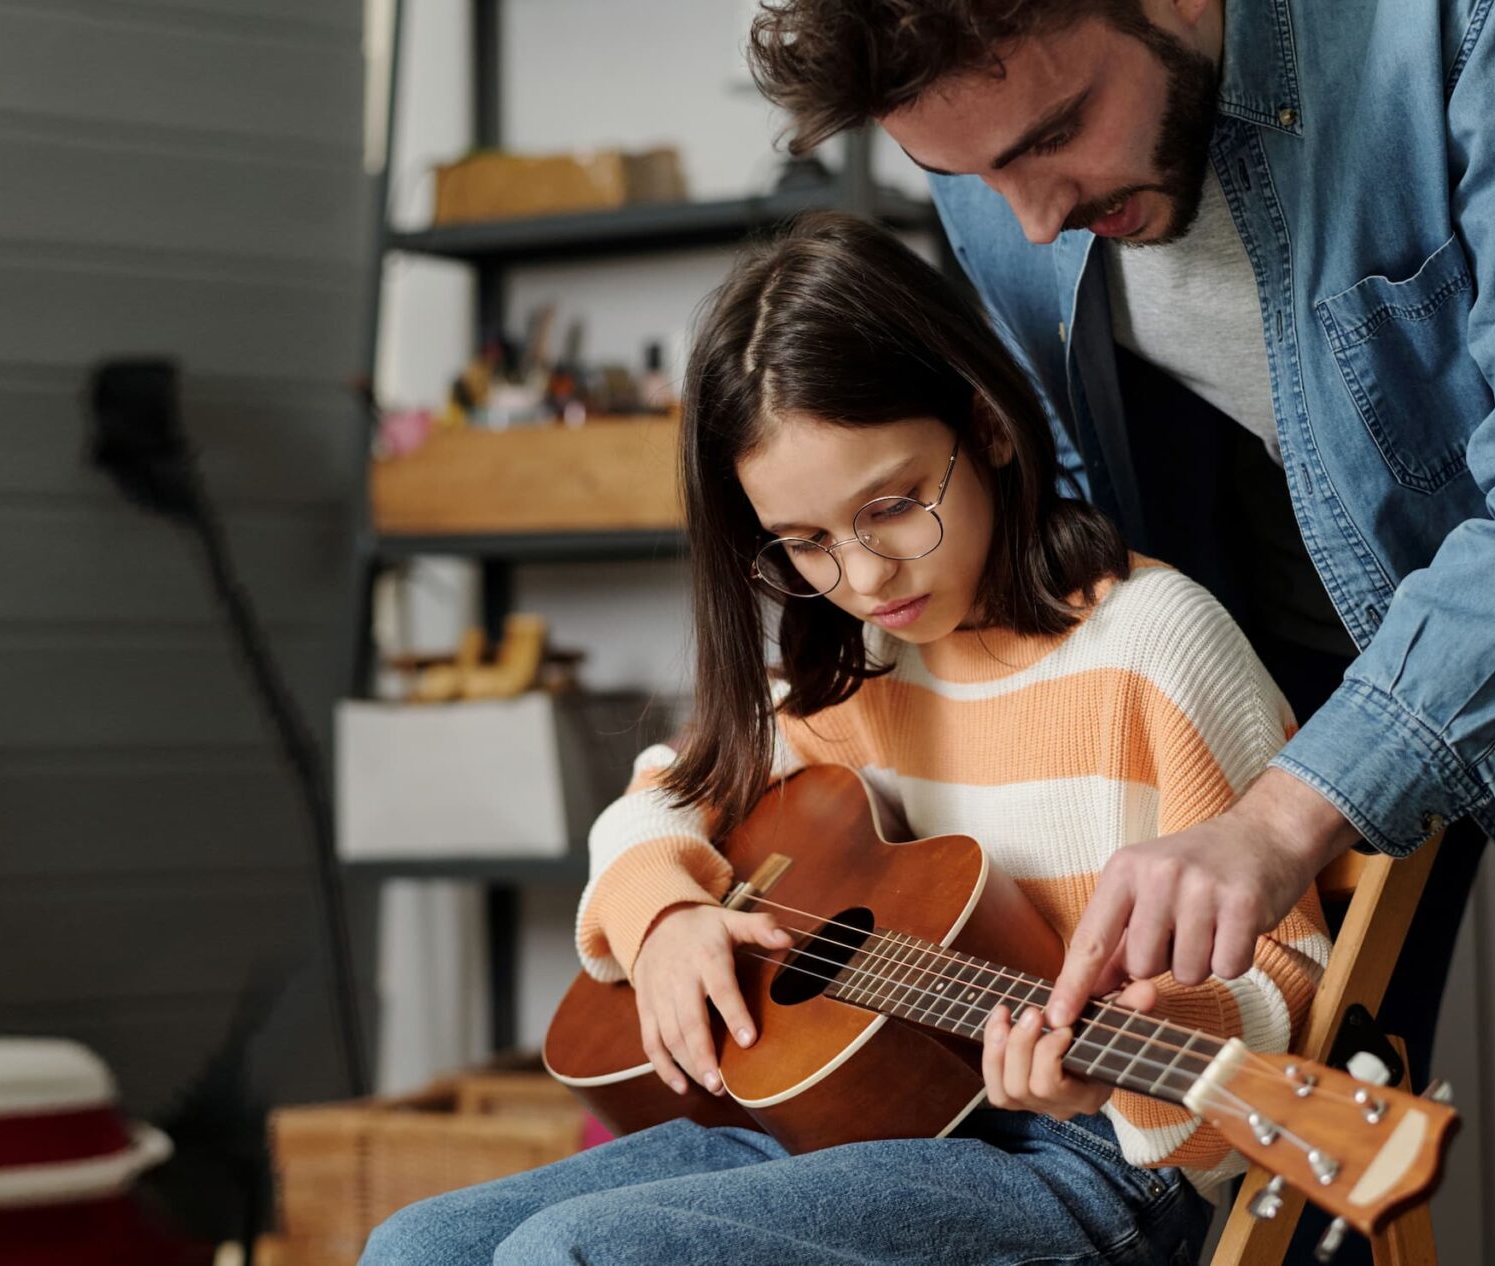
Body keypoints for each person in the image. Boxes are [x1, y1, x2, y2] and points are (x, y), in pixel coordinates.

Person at [748, 0, 1495, 1258]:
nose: (1030, 217)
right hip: (1304, 640)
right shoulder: (999, 155)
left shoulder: (1481, 19)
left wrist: (1287, 814)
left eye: (1057, 135)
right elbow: (1069, 475)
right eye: (967, 174)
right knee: (1306, 1186)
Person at [363, 213, 1326, 1265]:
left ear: (988, 425)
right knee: (419, 1247)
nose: (865, 580)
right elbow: (658, 796)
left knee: (574, 1256)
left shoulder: (1152, 642)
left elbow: (1289, 977)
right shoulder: (858, 666)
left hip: (1093, 1164)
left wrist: (1130, 1046)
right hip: (848, 1127)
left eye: (895, 506)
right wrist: (665, 919)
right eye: (806, 542)